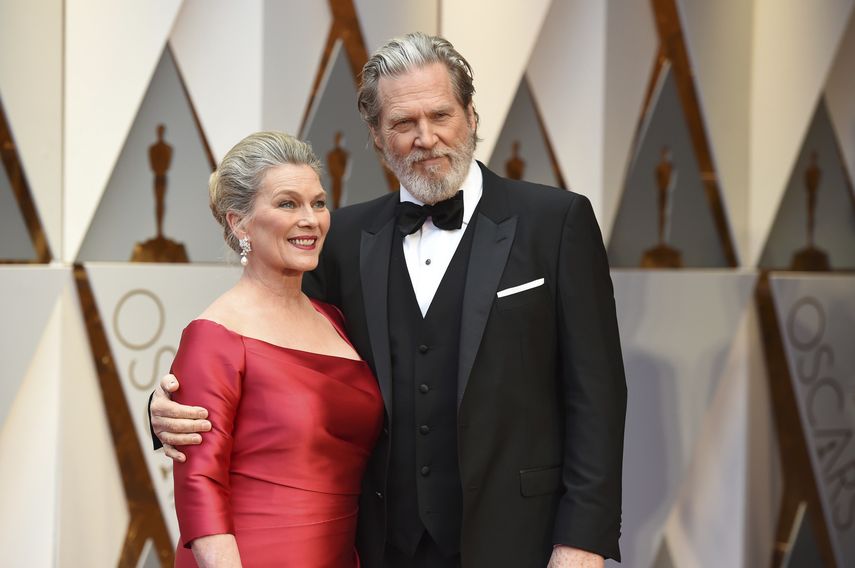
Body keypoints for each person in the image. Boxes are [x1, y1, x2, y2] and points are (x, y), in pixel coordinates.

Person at [152, 33, 626, 567]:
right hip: (377, 547)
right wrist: (165, 410)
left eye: (441, 115)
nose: (426, 137)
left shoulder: (555, 222)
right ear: (377, 137)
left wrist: (582, 541)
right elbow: (271, 351)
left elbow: (598, 395)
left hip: (518, 541)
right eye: (403, 123)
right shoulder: (341, 238)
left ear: (471, 116)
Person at [166, 131, 383, 567]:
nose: (310, 220)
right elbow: (199, 489)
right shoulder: (213, 336)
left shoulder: (334, 320)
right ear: (239, 223)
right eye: (287, 204)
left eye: (318, 203)